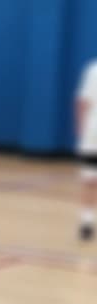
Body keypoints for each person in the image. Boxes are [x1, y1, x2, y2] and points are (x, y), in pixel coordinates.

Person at [75, 58, 97, 241]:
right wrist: (81, 130)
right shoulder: (93, 70)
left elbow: (81, 102)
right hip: (92, 136)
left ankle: (86, 222)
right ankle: (86, 223)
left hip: (90, 136)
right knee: (90, 179)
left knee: (90, 180)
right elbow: (82, 101)